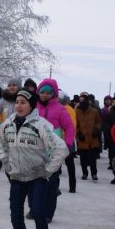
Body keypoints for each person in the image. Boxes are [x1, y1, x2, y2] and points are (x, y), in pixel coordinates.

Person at [0, 90, 67, 229]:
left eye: (23, 102)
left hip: (37, 177)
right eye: (17, 102)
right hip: (17, 177)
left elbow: (61, 149)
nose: (19, 105)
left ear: (31, 105)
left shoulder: (41, 125)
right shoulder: (7, 124)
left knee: (38, 213)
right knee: (15, 216)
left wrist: (48, 171)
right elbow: (2, 144)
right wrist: (7, 164)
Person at [37, 78, 75, 221]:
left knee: (51, 183)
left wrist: (69, 144)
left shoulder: (60, 109)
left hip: (53, 150)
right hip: (35, 148)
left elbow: (69, 127)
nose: (45, 95)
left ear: (54, 94)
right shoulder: (34, 107)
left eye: (48, 92)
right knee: (33, 181)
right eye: (42, 92)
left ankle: (47, 213)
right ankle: (35, 209)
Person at [75, 93, 102, 180]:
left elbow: (98, 122)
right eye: (80, 101)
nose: (81, 103)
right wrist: (78, 133)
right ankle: (84, 173)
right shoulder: (77, 111)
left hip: (92, 139)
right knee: (83, 159)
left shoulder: (94, 111)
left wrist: (96, 130)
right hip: (82, 139)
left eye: (83, 101)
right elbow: (75, 124)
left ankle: (94, 173)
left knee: (92, 159)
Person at [59, 92, 77, 192]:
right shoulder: (69, 108)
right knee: (68, 163)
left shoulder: (67, 109)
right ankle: (72, 186)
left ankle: (72, 185)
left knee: (68, 163)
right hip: (65, 138)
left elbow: (71, 125)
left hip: (65, 139)